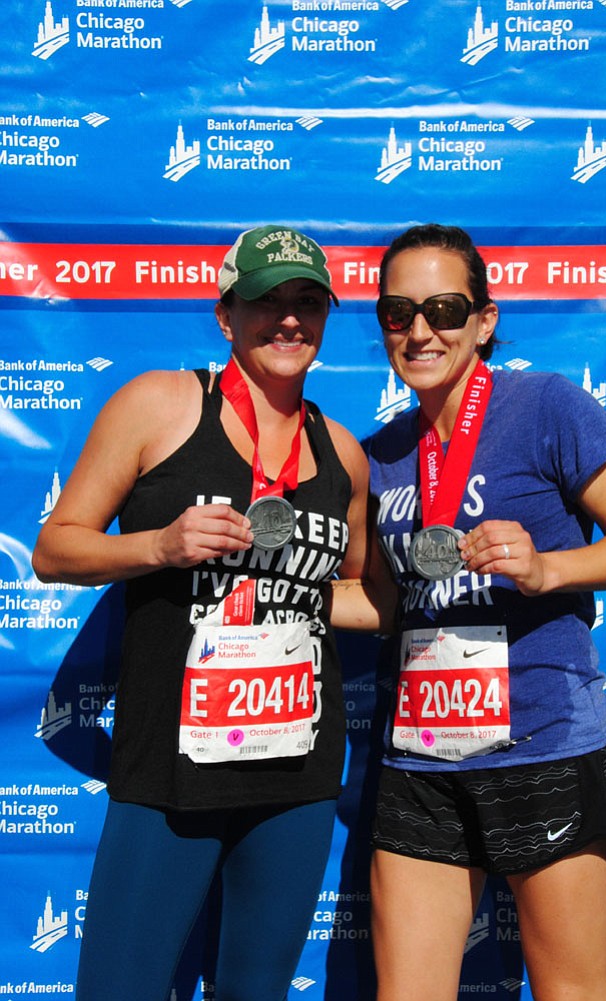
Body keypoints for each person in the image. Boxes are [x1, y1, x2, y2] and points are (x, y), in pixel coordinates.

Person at [32, 225, 374, 1001]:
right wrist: (159, 544)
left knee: (255, 992)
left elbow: (353, 595)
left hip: (297, 771)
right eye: (267, 300)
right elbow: (56, 550)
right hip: (171, 770)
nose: (288, 319)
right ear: (226, 315)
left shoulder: (344, 454)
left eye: (307, 301)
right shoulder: (159, 403)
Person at [331, 223, 606, 1001]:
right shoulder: (383, 456)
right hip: (420, 757)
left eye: (445, 307)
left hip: (544, 743)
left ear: (484, 319)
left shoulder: (546, 405)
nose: (421, 330)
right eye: (397, 312)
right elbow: (385, 602)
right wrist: (269, 589)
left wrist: (548, 567)